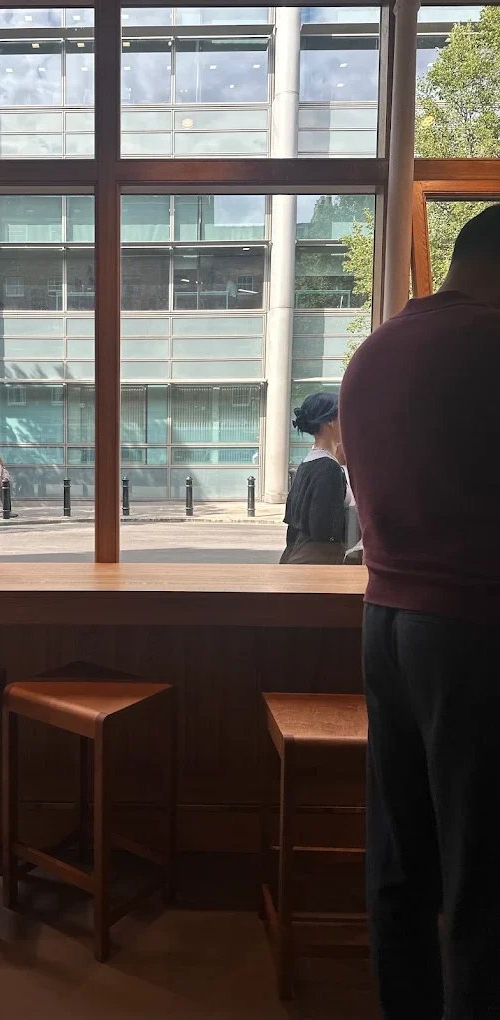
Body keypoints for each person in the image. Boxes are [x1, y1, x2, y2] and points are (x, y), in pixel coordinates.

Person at [340, 204, 500, 1020]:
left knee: (401, 855)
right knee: (483, 876)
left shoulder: (376, 349)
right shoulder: (487, 342)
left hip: (386, 621)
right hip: (474, 625)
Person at [279, 392, 347, 564]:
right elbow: (324, 531)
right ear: (330, 421)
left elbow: (292, 524)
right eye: (343, 415)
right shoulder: (328, 468)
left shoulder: (307, 464)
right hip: (317, 566)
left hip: (296, 558)